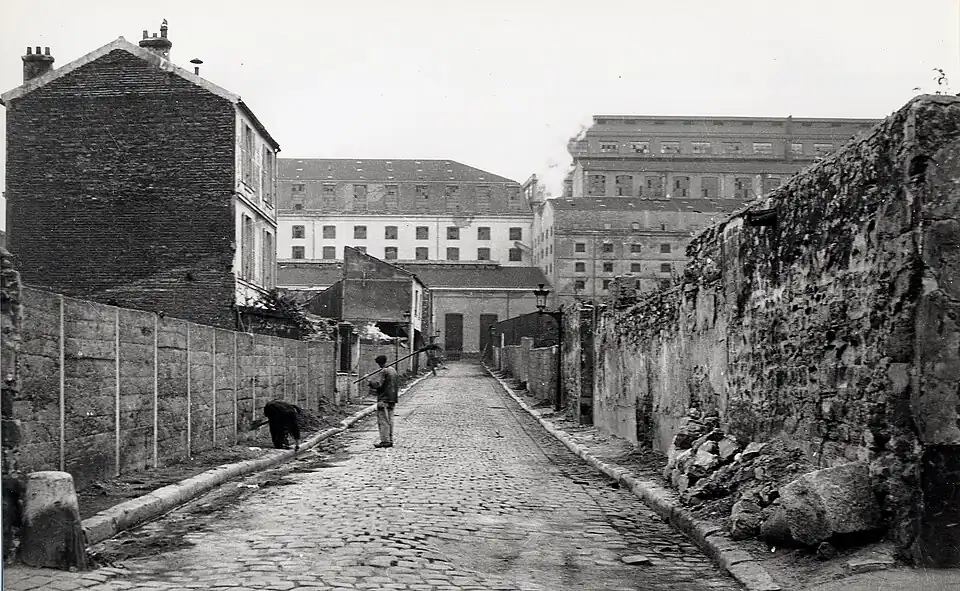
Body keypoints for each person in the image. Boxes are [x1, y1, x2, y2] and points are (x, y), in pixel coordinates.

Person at [369, 354, 399, 448]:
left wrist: (369, 381)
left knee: (383, 421)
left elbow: (378, 384)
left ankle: (385, 441)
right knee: (390, 420)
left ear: (379, 363)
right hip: (392, 399)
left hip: (383, 399)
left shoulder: (383, 371)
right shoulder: (393, 370)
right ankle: (390, 439)